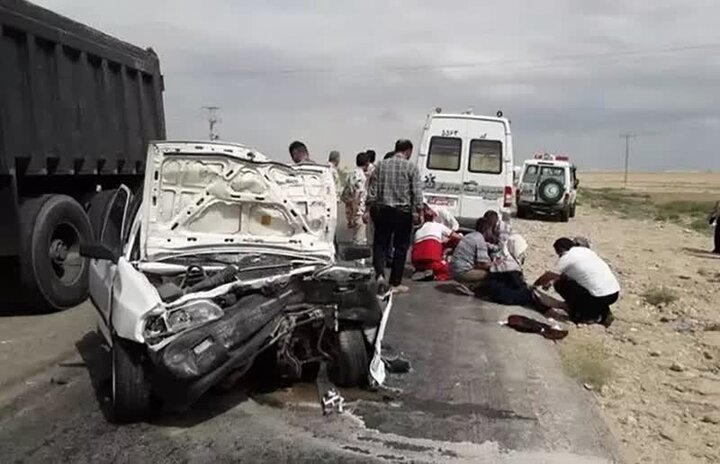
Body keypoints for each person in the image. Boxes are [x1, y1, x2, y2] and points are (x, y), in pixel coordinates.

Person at [367, 139, 423, 293]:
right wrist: (419, 211)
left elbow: (372, 190)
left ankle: (379, 275)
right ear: (408, 151)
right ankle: (395, 283)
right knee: (400, 247)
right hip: (403, 213)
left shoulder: (380, 165)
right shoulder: (411, 167)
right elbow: (416, 192)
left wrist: (369, 207)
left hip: (383, 211)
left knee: (380, 245)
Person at [533, 237, 620, 327]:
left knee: (560, 285)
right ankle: (604, 312)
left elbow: (548, 275)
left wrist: (534, 285)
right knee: (591, 287)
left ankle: (587, 316)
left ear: (561, 250)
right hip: (614, 293)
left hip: (600, 297)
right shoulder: (586, 251)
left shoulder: (566, 258)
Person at [411, 210, 461, 281]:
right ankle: (435, 275)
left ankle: (422, 269)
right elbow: (457, 237)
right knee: (452, 271)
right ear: (434, 218)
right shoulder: (439, 226)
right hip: (432, 260)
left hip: (416, 262)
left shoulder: (418, 230)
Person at [450, 217, 493, 291]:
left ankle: (467, 283)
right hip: (462, 271)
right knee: (490, 275)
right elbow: (482, 264)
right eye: (491, 230)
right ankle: (470, 286)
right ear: (487, 230)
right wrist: (496, 265)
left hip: (453, 269)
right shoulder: (480, 239)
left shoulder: (469, 235)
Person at [341, 152, 370, 245]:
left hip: (351, 211)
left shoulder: (351, 174)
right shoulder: (361, 177)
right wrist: (355, 213)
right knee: (360, 240)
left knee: (355, 238)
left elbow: (345, 195)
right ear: (366, 164)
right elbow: (357, 196)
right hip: (358, 211)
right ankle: (359, 259)